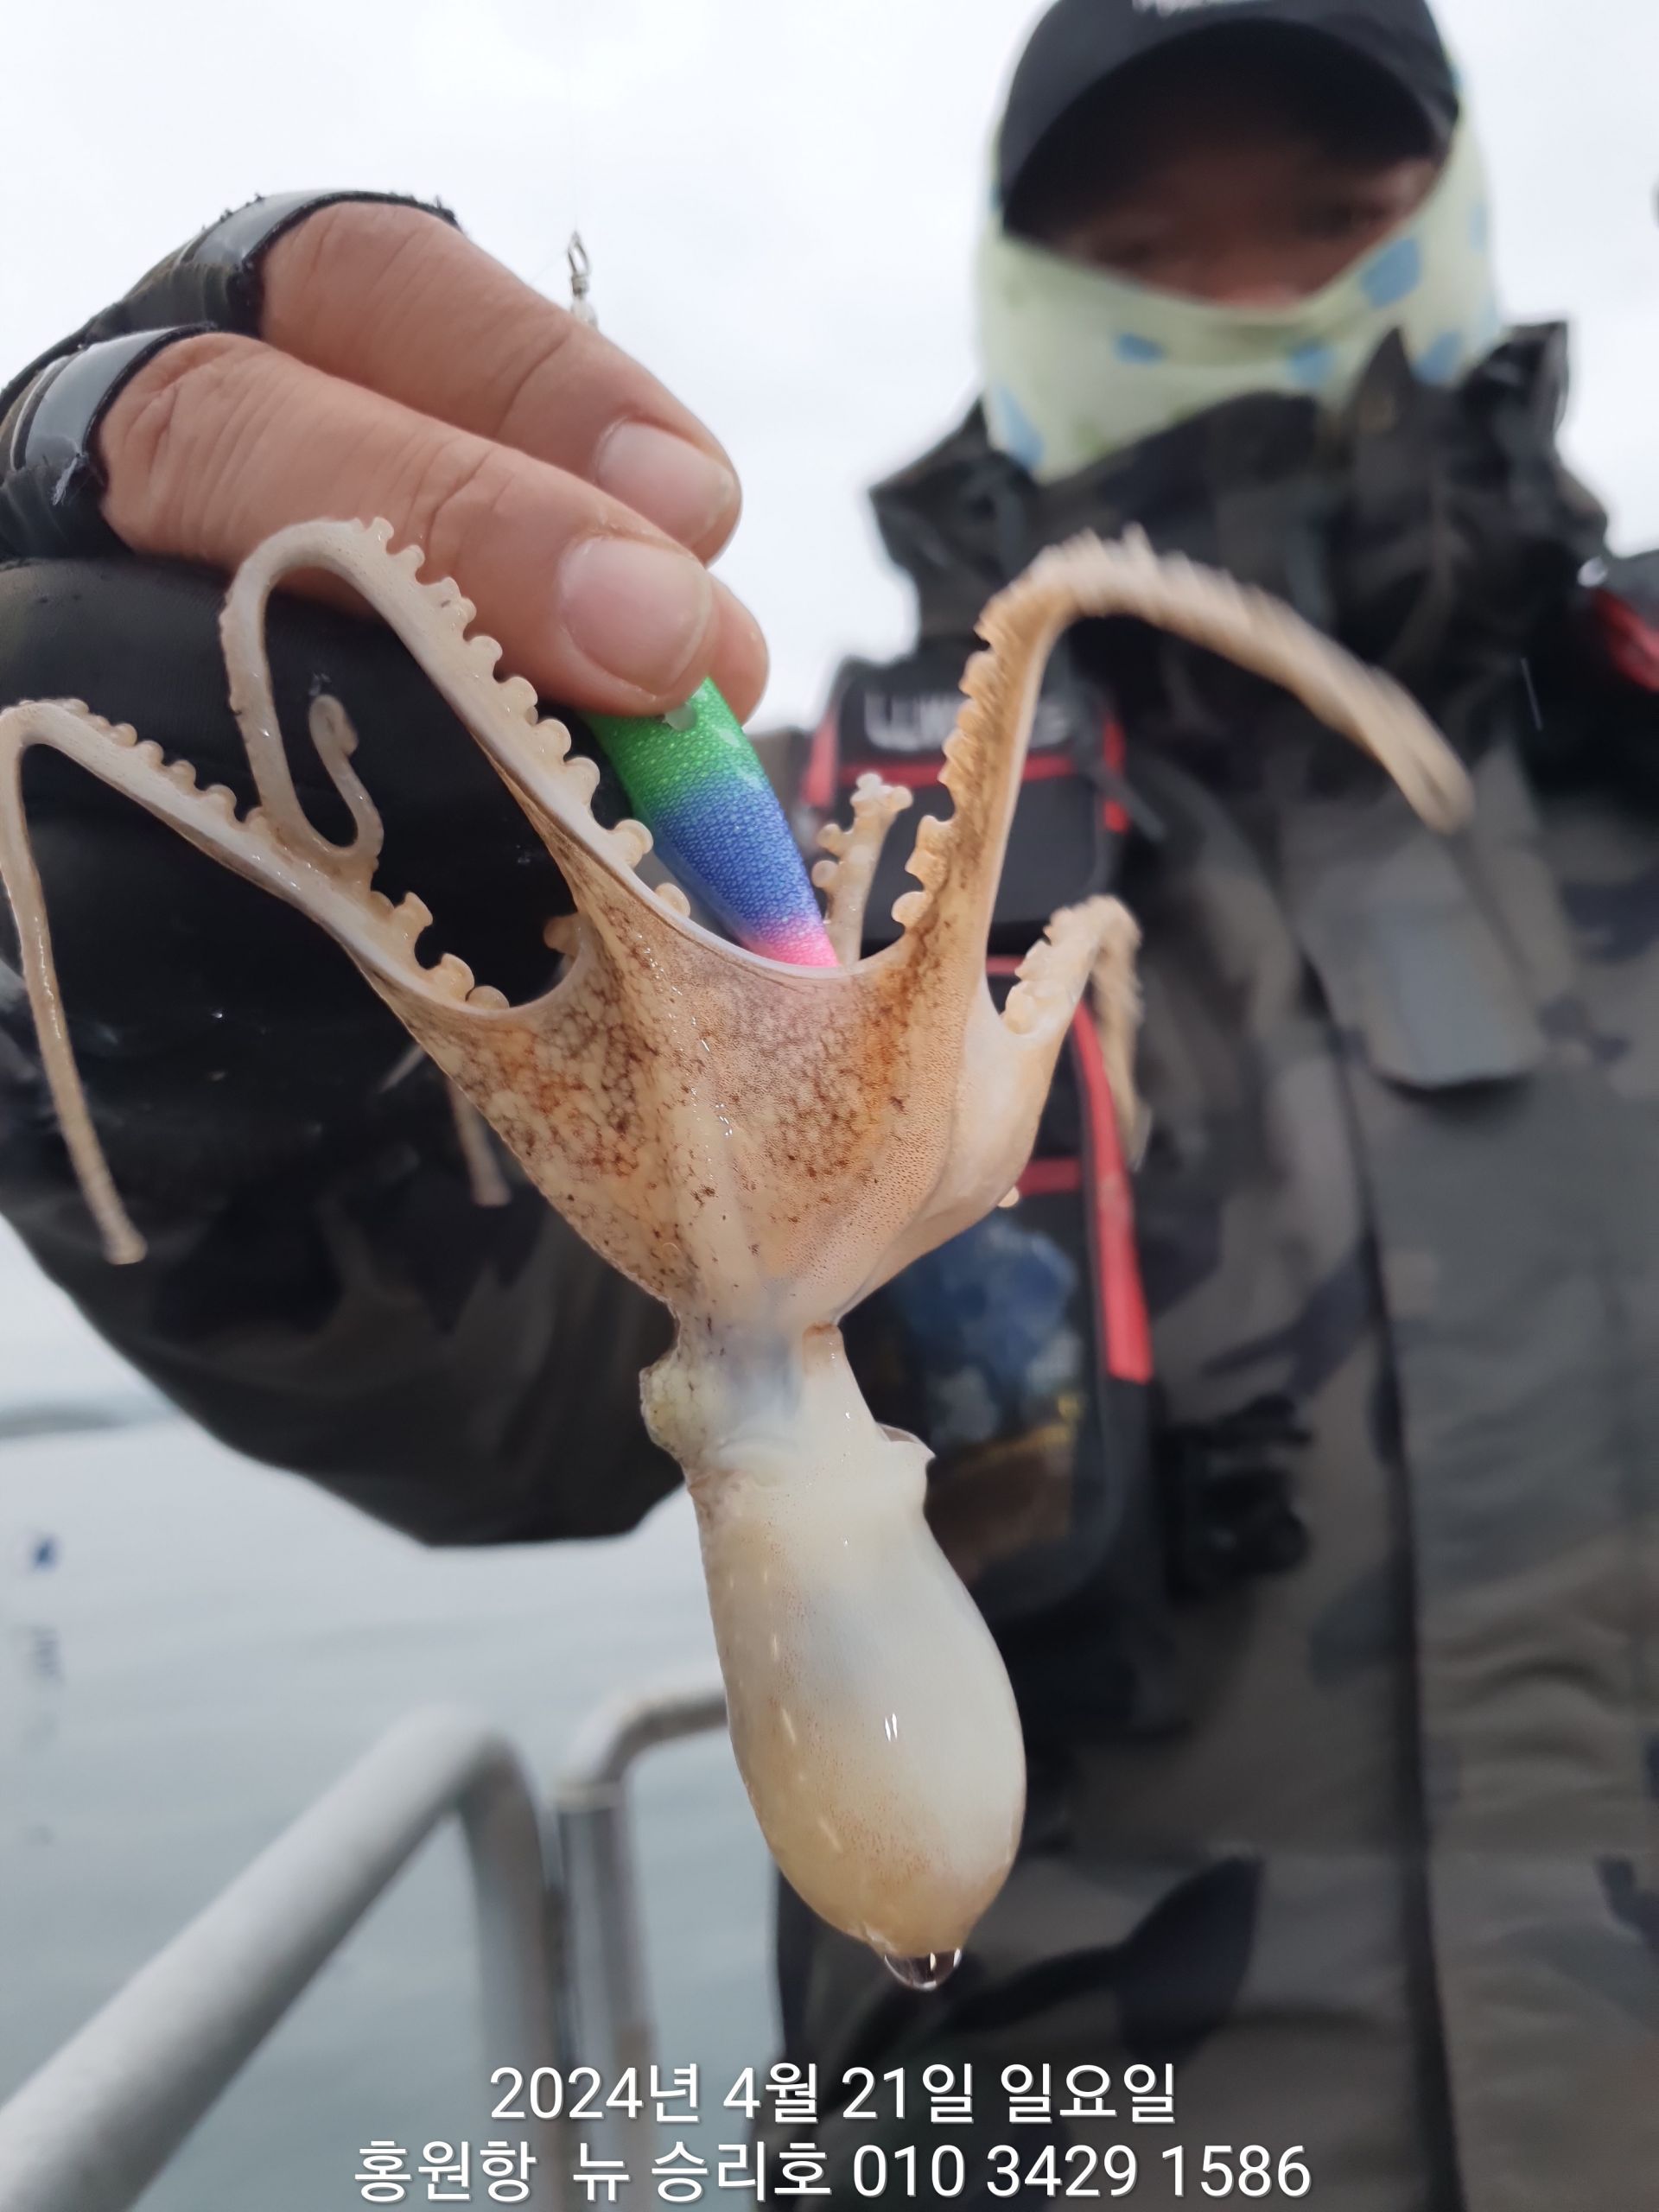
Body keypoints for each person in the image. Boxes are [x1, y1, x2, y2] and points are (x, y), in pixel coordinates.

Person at [0, 0, 1654, 2201]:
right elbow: (480, 1369)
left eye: (1332, 218)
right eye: (1141, 249)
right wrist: (146, 1030)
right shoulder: (775, 857)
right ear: (1017, 290)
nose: (1244, 298)